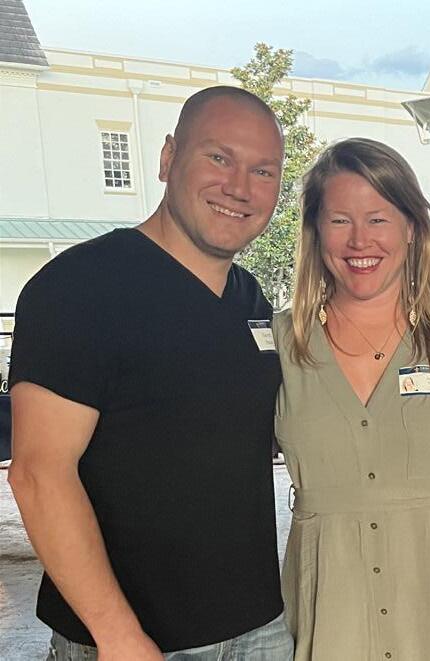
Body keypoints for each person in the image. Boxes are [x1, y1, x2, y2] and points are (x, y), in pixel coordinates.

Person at [7, 86, 293, 659]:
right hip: (129, 641)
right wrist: (117, 634)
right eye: (219, 157)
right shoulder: (80, 287)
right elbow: (39, 475)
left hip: (258, 628)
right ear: (168, 158)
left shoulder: (250, 300)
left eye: (262, 171)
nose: (239, 187)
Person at [272, 138, 430, 660]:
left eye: (378, 219)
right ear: (314, 231)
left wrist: (419, 469)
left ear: (412, 228)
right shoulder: (281, 345)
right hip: (329, 606)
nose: (360, 240)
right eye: (339, 220)